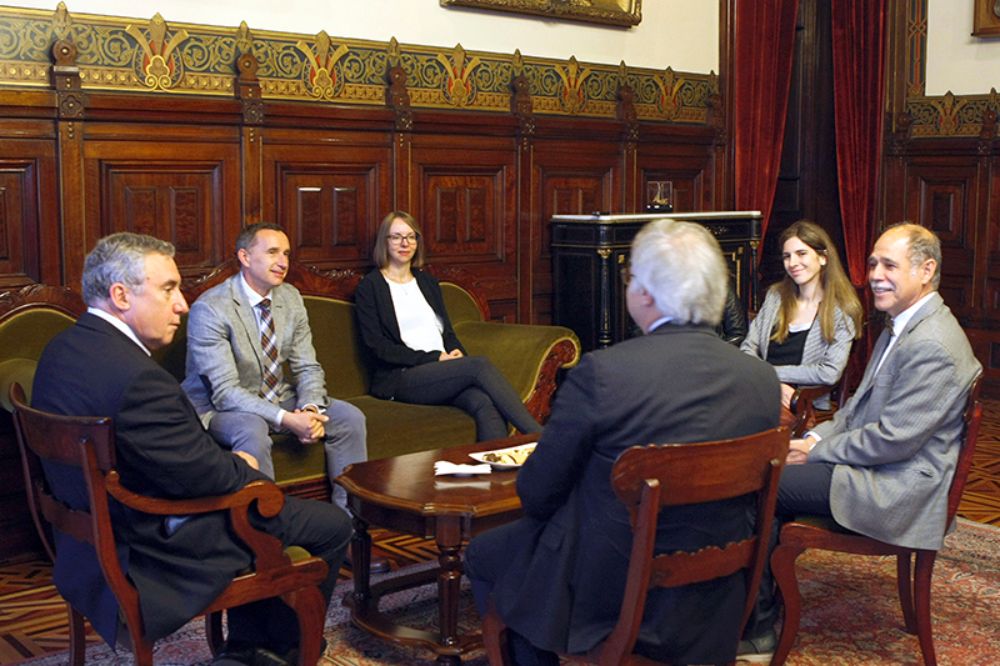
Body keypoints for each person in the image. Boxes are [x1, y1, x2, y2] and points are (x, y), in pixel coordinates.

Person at [464, 219, 781, 665]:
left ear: (645, 293)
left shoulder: (604, 374)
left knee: (486, 553)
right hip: (716, 599)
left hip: (610, 596)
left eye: (630, 277)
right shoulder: (762, 380)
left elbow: (536, 494)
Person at [32, 232, 352, 665]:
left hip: (86, 543)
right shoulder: (138, 378)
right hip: (150, 550)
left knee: (262, 507)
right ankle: (280, 652)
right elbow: (204, 476)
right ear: (121, 295)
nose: (182, 304)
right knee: (330, 523)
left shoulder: (61, 349)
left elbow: (177, 460)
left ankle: (251, 645)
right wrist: (242, 464)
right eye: (168, 289)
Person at [739, 223, 982, 660]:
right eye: (872, 264)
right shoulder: (901, 326)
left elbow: (893, 440)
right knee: (775, 473)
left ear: (927, 270)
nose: (874, 275)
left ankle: (756, 627)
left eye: (889, 265)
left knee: (765, 483)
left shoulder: (933, 344)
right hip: (881, 467)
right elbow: (854, 411)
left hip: (898, 486)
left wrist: (814, 452)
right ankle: (757, 610)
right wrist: (812, 436)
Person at [182, 222, 367, 511]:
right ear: (245, 257)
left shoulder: (290, 298)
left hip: (277, 395)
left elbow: (308, 366)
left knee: (349, 418)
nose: (283, 262)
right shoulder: (212, 308)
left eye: (286, 254)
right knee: (252, 427)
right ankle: (266, 525)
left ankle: (350, 521)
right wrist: (287, 419)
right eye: (272, 252)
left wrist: (309, 409)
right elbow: (225, 392)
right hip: (219, 408)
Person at [354, 211, 541, 442]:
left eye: (411, 237)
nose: (405, 243)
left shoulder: (427, 283)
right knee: (478, 365)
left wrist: (455, 351)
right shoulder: (370, 287)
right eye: (396, 237)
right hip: (402, 376)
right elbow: (378, 347)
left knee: (482, 401)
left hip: (440, 369)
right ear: (384, 242)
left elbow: (446, 331)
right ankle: (539, 436)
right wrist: (436, 358)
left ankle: (495, 464)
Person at [741, 220, 862, 424]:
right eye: (787, 256)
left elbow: (829, 373)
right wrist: (771, 384)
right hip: (760, 391)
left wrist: (769, 374)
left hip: (802, 403)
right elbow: (747, 349)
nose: (792, 263)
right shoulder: (775, 297)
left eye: (801, 253)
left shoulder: (842, 310)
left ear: (823, 258)